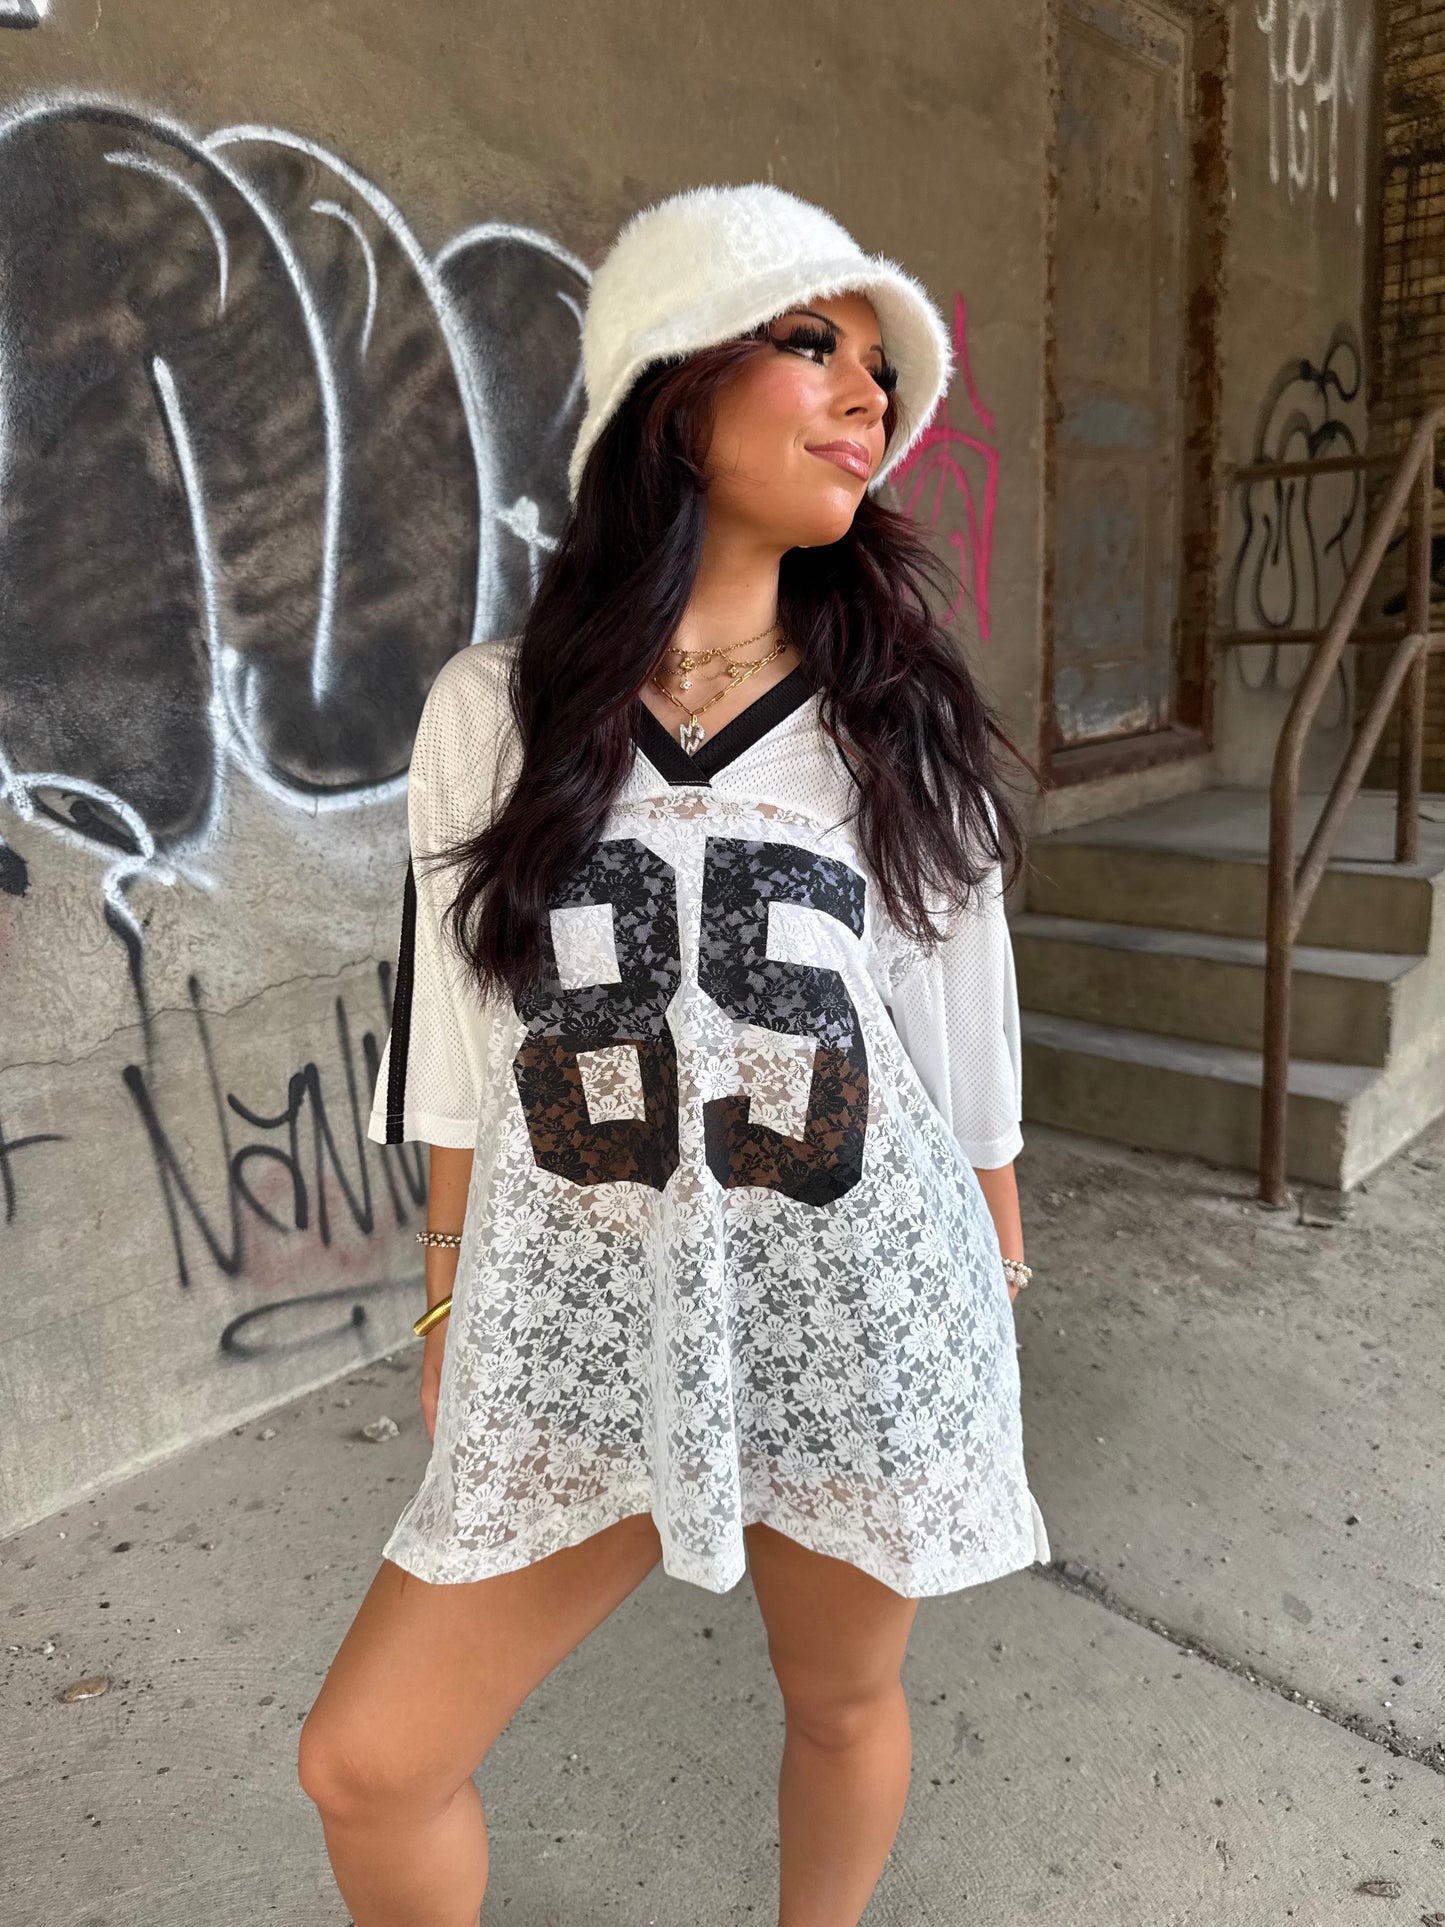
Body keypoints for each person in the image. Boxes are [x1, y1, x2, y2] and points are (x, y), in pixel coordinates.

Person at [298, 180, 1050, 1927]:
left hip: (853, 1294)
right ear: (673, 386)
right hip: (586, 1309)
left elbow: (961, 1041)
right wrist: (452, 1301)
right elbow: (464, 1035)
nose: (866, 397)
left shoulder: (894, 716)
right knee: (369, 1761)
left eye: (880, 371)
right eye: (810, 345)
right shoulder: (496, 709)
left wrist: (990, 1283)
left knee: (839, 1697)